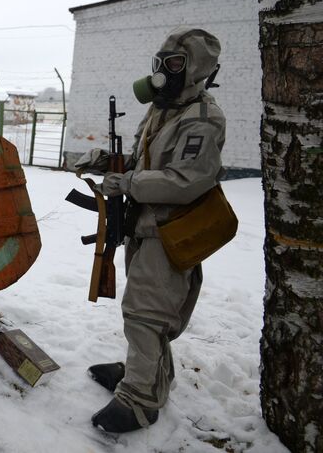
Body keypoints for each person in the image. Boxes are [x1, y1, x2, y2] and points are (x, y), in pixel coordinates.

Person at [75, 27, 225, 433]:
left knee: (146, 313)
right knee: (145, 311)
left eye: (174, 64)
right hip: (145, 224)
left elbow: (186, 181)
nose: (162, 72)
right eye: (159, 63)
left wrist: (126, 184)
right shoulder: (163, 109)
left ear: (196, 70)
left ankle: (140, 401)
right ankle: (146, 372)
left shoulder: (203, 120)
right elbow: (143, 158)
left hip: (171, 229)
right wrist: (106, 161)